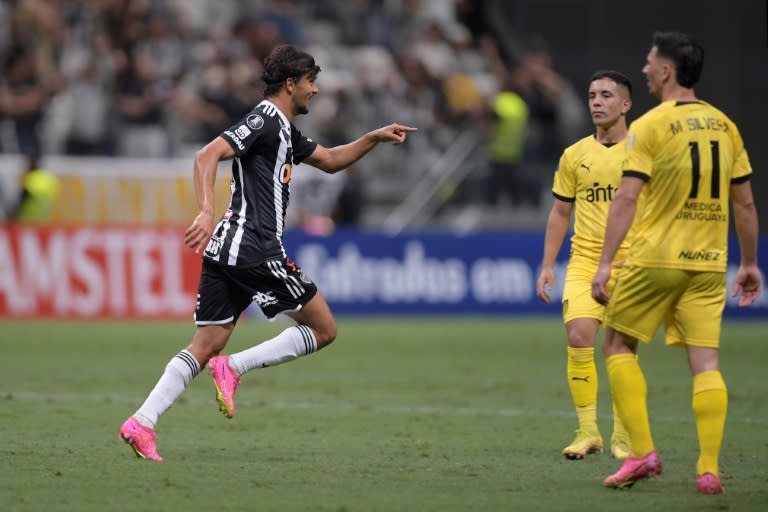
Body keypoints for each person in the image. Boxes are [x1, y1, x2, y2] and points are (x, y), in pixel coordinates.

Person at [119, 44, 417, 461]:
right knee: (324, 329)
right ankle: (234, 368)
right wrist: (206, 209)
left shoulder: (284, 130)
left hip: (228, 249)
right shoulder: (263, 119)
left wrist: (372, 138)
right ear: (291, 84)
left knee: (206, 343)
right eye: (311, 82)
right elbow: (207, 155)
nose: (315, 90)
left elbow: (330, 160)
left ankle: (141, 423)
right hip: (254, 247)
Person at [591, 32, 761, 494]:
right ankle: (707, 467)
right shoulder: (725, 126)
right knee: (706, 362)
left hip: (655, 259)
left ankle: (644, 454)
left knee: (617, 345)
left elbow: (626, 198)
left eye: (649, 62)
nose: (644, 69)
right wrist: (749, 262)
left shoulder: (650, 125)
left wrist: (605, 263)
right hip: (709, 263)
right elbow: (744, 205)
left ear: (667, 71)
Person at [536, 70, 634, 461]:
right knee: (579, 336)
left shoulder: (643, 152)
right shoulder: (575, 155)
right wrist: (547, 265)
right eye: (592, 94)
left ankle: (625, 436)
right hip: (585, 260)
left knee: (622, 350)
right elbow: (560, 212)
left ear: (625, 104)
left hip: (631, 263)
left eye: (607, 95)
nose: (596, 102)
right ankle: (588, 431)